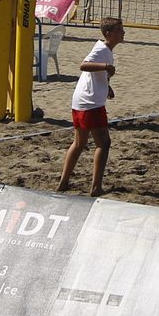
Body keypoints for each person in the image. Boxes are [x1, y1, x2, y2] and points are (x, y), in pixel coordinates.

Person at [58, 17, 126, 196]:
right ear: (109, 34)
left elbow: (93, 75)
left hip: (80, 100)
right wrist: (106, 67)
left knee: (79, 143)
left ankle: (63, 182)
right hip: (91, 103)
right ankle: (96, 187)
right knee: (104, 143)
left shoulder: (106, 49)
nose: (123, 33)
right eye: (120, 30)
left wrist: (107, 85)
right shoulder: (102, 50)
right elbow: (84, 65)